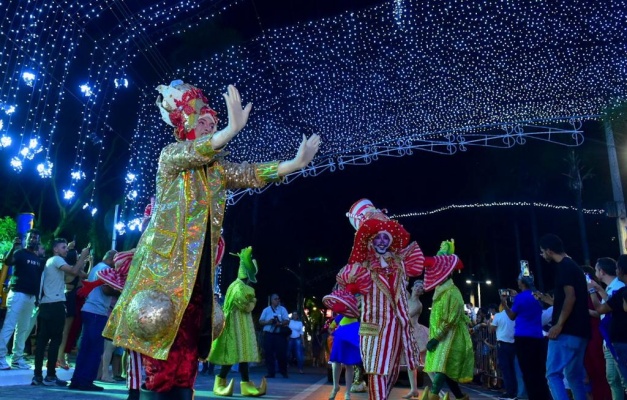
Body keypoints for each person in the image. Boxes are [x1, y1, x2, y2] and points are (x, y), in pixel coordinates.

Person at [103, 81, 320, 399]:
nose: (211, 124)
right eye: (204, 120)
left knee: (187, 360)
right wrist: (232, 129)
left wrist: (296, 164)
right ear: (185, 124)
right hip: (163, 280)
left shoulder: (217, 171)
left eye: (214, 123)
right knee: (159, 363)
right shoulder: (171, 157)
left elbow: (251, 174)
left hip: (197, 281)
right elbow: (196, 152)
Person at [337, 200, 460, 400]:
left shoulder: (401, 260)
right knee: (376, 370)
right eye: (378, 238)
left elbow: (424, 262)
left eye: (386, 237)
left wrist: (444, 261)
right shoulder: (364, 265)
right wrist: (350, 290)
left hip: (398, 328)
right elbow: (350, 285)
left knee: (392, 372)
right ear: (370, 241)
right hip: (375, 327)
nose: (383, 241)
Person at [209, 247, 266, 397]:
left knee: (241, 355)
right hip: (234, 326)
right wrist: (253, 301)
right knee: (234, 354)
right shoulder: (239, 287)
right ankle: (220, 382)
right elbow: (246, 306)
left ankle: (245, 384)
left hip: (240, 325)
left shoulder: (238, 285)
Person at [539, 234, 590, 400]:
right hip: (581, 331)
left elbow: (570, 297)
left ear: (549, 250)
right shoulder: (574, 266)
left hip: (566, 330)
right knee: (574, 376)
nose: (542, 255)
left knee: (553, 374)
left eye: (542, 252)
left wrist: (559, 324)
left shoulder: (564, 267)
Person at [33, 238, 89, 387]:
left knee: (42, 341)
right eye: (63, 247)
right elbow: (74, 271)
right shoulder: (56, 259)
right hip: (55, 305)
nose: (66, 250)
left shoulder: (52, 262)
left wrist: (77, 258)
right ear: (56, 249)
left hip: (45, 304)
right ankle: (50, 375)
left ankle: (37, 375)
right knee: (55, 340)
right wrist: (83, 256)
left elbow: (78, 274)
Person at [422, 239, 473, 400]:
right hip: (440, 336)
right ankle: (459, 397)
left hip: (450, 337)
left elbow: (450, 320)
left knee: (442, 366)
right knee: (444, 368)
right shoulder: (440, 292)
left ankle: (434, 394)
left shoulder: (452, 292)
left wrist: (436, 338)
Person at [500, 263, 551, 400]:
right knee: (539, 372)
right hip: (538, 336)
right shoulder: (537, 295)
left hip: (523, 337)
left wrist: (504, 303)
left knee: (527, 372)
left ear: (521, 282)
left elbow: (512, 316)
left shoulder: (520, 298)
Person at [69, 250, 118, 392]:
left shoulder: (96, 268)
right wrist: (121, 290)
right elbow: (106, 290)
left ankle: (77, 379)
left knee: (85, 348)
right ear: (112, 259)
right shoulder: (106, 270)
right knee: (95, 349)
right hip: (97, 312)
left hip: (89, 310)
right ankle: (86, 381)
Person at [0, 230, 43, 370]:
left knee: (23, 329)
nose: (32, 240)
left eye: (35, 238)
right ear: (27, 239)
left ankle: (17, 359)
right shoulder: (20, 253)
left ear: (38, 240)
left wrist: (37, 298)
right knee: (9, 326)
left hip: (30, 297)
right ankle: (0, 357)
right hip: (18, 294)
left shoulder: (37, 259)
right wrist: (13, 247)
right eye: (30, 237)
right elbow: (8, 262)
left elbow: (37, 280)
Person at [588, 255, 627, 394]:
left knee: (623, 379)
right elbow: (606, 308)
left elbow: (604, 309)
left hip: (620, 340)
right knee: (613, 378)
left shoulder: (620, 287)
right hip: (611, 340)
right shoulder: (614, 289)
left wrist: (593, 290)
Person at [581, 263, 612, 400]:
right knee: (591, 369)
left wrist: (583, 311)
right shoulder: (582, 294)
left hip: (597, 333)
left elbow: (599, 313)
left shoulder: (596, 293)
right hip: (588, 334)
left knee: (600, 369)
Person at [323, 289, 361, 400]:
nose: (358, 300)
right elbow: (336, 320)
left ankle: (347, 393)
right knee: (336, 361)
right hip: (341, 332)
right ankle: (335, 386)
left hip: (353, 332)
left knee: (349, 364)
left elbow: (358, 314)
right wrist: (331, 328)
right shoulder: (345, 308)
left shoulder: (360, 309)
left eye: (359, 298)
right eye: (357, 298)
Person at [404, 280, 429, 399]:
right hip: (408, 332)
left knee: (424, 362)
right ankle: (413, 389)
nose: (419, 289)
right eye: (418, 286)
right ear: (413, 287)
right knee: (411, 362)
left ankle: (436, 389)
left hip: (416, 333)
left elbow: (407, 317)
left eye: (421, 288)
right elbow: (402, 289)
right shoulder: (408, 297)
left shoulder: (418, 305)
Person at [259, 293, 290, 379]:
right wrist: (268, 322)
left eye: (278, 299)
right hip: (269, 334)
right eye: (275, 299)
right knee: (269, 354)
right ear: (272, 300)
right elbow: (261, 321)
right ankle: (270, 372)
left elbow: (287, 320)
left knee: (282, 354)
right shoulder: (266, 310)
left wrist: (279, 323)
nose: (277, 300)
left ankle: (284, 372)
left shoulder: (282, 309)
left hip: (279, 335)